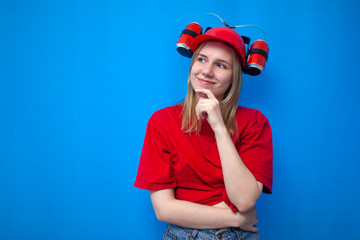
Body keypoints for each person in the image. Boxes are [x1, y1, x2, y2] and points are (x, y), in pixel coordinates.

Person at [134, 26, 273, 240]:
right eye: (201, 59)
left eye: (220, 65)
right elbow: (164, 210)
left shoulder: (255, 122)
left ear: (234, 77)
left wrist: (218, 127)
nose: (207, 71)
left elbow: (244, 200)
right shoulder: (161, 121)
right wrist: (236, 218)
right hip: (182, 235)